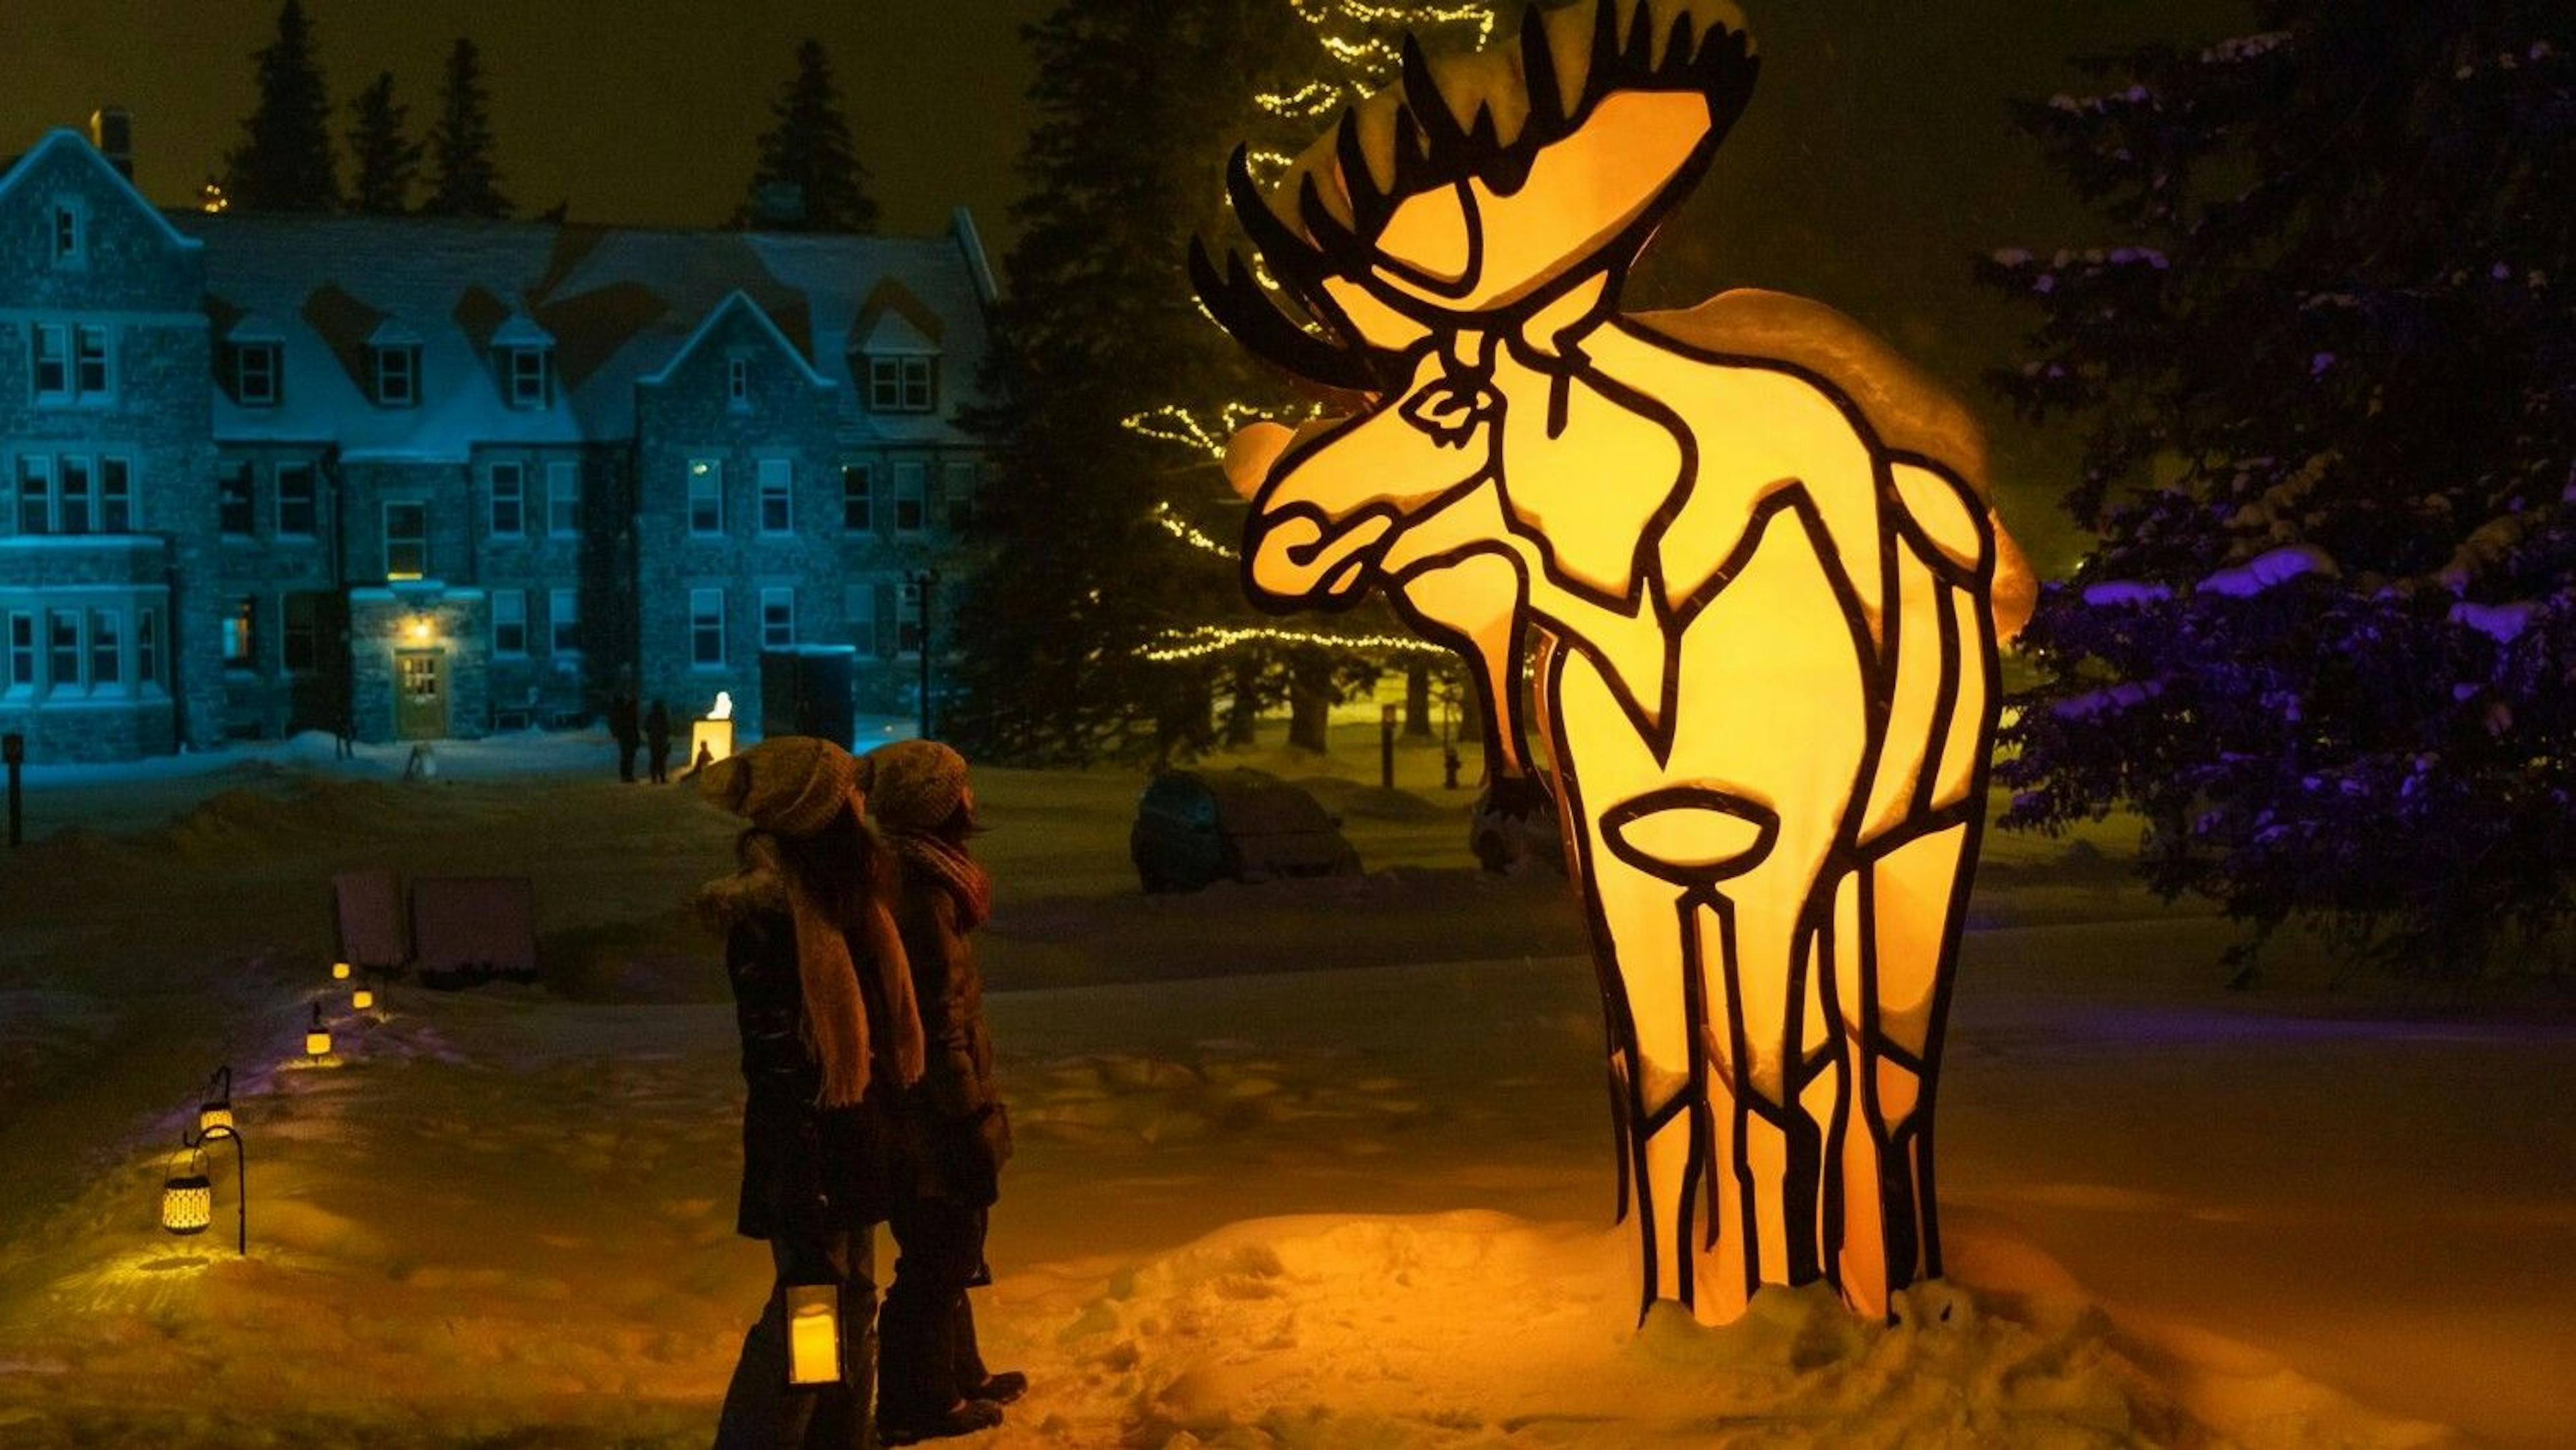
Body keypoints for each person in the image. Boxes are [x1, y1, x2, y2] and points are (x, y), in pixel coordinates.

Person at [701, 737, 928, 1449]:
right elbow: (779, 1070)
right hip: (809, 1153)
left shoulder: (844, 905)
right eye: (848, 793)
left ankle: (841, 1437)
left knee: (851, 1301)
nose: (862, 802)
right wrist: (801, 1190)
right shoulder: (774, 922)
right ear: (817, 815)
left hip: (854, 1138)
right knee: (809, 1315)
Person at [855, 740, 1022, 1445]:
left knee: (952, 1241)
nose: (971, 799)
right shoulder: (918, 890)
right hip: (928, 1107)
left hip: (923, 1101)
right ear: (939, 805)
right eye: (961, 789)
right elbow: (938, 1019)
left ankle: (958, 1374)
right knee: (939, 1249)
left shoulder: (919, 875)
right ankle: (916, 1400)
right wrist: (966, 1114)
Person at [610, 693, 641, 783]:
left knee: (626, 756)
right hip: (628, 736)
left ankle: (625, 775)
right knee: (628, 756)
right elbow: (632, 725)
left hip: (624, 736)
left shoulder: (619, 710)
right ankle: (628, 775)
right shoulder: (627, 711)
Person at [645, 698, 674, 784]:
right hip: (662, 741)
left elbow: (646, 727)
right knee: (662, 761)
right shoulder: (663, 716)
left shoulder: (650, 716)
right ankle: (662, 778)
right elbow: (668, 728)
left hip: (653, 741)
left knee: (654, 760)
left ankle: (654, 778)